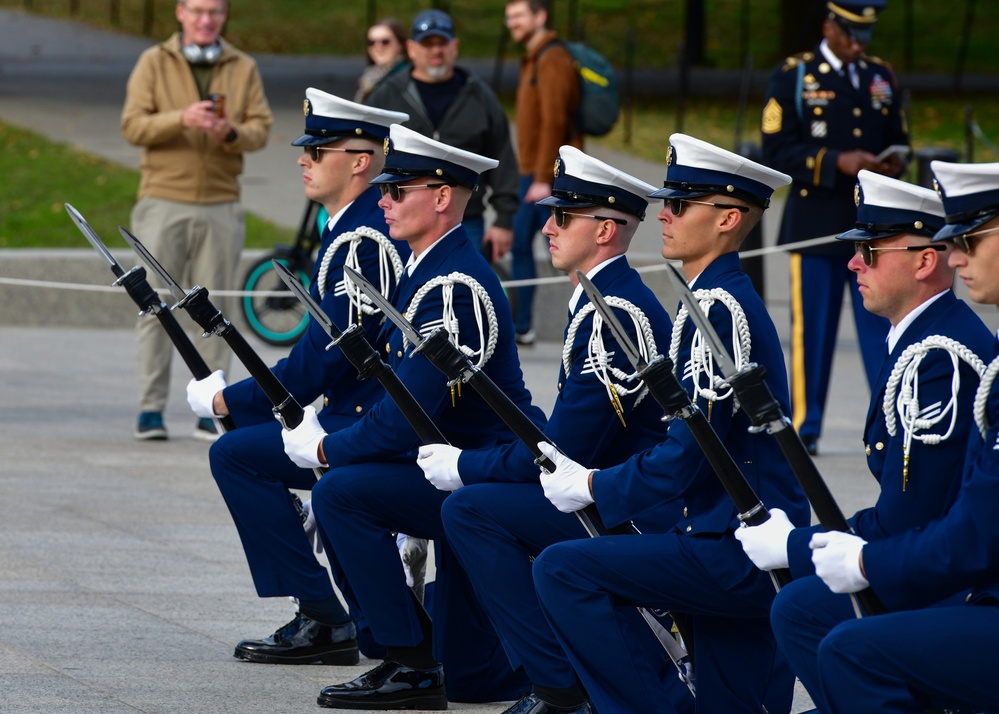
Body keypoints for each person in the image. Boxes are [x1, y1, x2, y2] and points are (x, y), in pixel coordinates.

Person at [531, 134, 810, 714]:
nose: (665, 214)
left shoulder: (717, 309)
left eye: (682, 205)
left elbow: (690, 453)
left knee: (565, 570)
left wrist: (593, 487)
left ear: (729, 219)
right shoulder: (707, 299)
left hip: (735, 545)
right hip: (719, 532)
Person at [280, 123, 545, 709]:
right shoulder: (425, 271)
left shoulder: (451, 287)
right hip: (446, 467)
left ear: (443, 197)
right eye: (384, 188)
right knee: (346, 490)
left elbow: (404, 414)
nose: (382, 200)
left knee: (343, 491)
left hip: (483, 471)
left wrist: (327, 449)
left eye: (398, 191)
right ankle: (409, 654)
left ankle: (413, 660)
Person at [419, 146, 686, 714]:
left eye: (563, 216)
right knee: (477, 505)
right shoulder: (601, 300)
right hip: (611, 490)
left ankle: (559, 685)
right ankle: (517, 667)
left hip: (630, 510)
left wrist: (464, 465)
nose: (547, 225)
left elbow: (566, 449)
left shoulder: (614, 313)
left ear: (607, 229)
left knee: (470, 510)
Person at [734, 170, 995, 712]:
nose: (853, 262)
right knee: (800, 608)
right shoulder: (919, 341)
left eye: (870, 251)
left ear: (923, 263)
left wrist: (801, 547)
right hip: (949, 559)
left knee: (837, 638)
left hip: (957, 578)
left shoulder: (940, 357)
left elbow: (917, 515)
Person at [184, 89, 410, 665]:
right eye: (306, 148)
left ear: (361, 160)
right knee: (239, 454)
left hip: (367, 425)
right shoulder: (348, 227)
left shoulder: (363, 238)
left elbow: (321, 361)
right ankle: (323, 613)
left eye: (321, 148)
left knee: (235, 453)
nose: (304, 158)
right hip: (348, 412)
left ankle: (328, 616)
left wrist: (227, 402)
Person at [761, 0, 908, 455]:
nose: (860, 44)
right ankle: (807, 424)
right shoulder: (796, 76)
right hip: (816, 222)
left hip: (870, 225)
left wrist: (897, 158)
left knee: (881, 326)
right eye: (852, 34)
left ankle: (889, 417)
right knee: (813, 331)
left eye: (866, 35)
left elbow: (898, 136)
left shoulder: (879, 75)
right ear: (830, 26)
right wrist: (834, 162)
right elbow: (777, 149)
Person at [121, 0, 273, 441]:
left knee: (214, 312)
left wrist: (229, 132)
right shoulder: (153, 61)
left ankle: (213, 408)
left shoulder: (243, 66)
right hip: (163, 199)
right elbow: (132, 126)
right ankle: (150, 408)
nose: (207, 20)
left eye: (216, 12)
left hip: (222, 203)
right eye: (198, 10)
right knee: (153, 307)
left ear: (225, 16)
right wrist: (180, 119)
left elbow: (261, 129)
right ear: (180, 13)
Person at [366, 9, 518, 263]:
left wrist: (504, 220)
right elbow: (367, 156)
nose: (436, 51)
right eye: (427, 44)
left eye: (442, 43)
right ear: (412, 48)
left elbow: (503, 158)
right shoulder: (388, 94)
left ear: (454, 46)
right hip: (401, 221)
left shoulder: (479, 95)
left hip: (464, 222)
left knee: (461, 295)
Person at [505, 0, 582, 345]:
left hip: (547, 175)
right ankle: (524, 325)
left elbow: (554, 121)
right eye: (508, 17)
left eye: (519, 15)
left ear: (540, 16)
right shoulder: (535, 57)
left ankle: (537, 324)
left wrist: (540, 179)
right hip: (535, 173)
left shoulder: (551, 58)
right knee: (530, 244)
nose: (512, 23)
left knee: (568, 250)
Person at [354, 18, 408, 104]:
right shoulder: (370, 77)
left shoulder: (406, 77)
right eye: (371, 42)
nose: (378, 47)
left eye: (385, 42)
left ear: (400, 44)